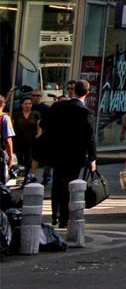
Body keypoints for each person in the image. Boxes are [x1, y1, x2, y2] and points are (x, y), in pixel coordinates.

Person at [39, 80, 97, 228]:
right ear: (87, 93)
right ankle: (64, 217)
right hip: (75, 155)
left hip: (57, 153)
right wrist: (92, 158)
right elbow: (90, 137)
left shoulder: (58, 106)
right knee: (70, 185)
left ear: (74, 91)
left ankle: (55, 215)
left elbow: (45, 125)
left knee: (57, 184)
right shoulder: (86, 113)